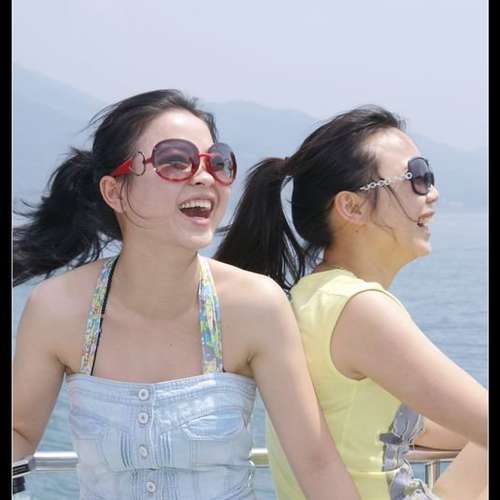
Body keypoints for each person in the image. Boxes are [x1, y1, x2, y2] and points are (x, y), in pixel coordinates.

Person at [13, 90, 361, 500]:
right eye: (175, 161)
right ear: (114, 191)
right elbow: (20, 431)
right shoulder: (58, 308)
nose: (204, 177)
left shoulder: (255, 305)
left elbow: (315, 462)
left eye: (217, 162)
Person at [215, 105, 487, 500]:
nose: (433, 192)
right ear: (352, 207)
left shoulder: (310, 297)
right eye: (416, 177)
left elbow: (406, 427)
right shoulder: (360, 308)